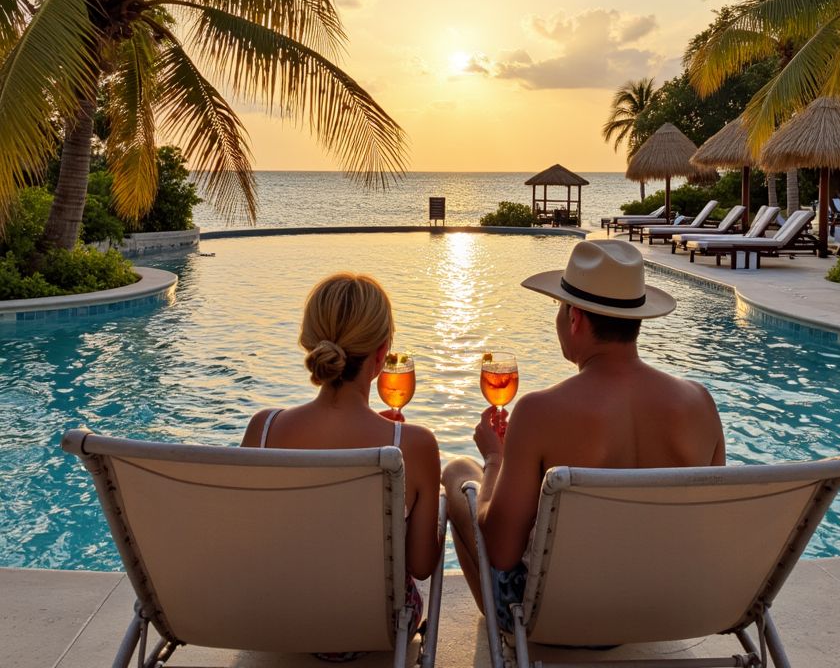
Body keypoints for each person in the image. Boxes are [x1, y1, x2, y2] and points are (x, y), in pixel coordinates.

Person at [442, 238, 725, 626]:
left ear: (574, 318)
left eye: (558, 308)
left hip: (554, 614)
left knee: (458, 470)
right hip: (659, 608)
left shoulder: (539, 412)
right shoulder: (700, 403)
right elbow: (708, 529)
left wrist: (495, 459)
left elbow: (500, 552)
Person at [243, 272, 442, 659]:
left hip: (280, 621)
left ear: (308, 341)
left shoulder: (262, 430)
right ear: (383, 352)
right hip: (376, 627)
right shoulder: (413, 446)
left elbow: (250, 544)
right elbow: (420, 566)